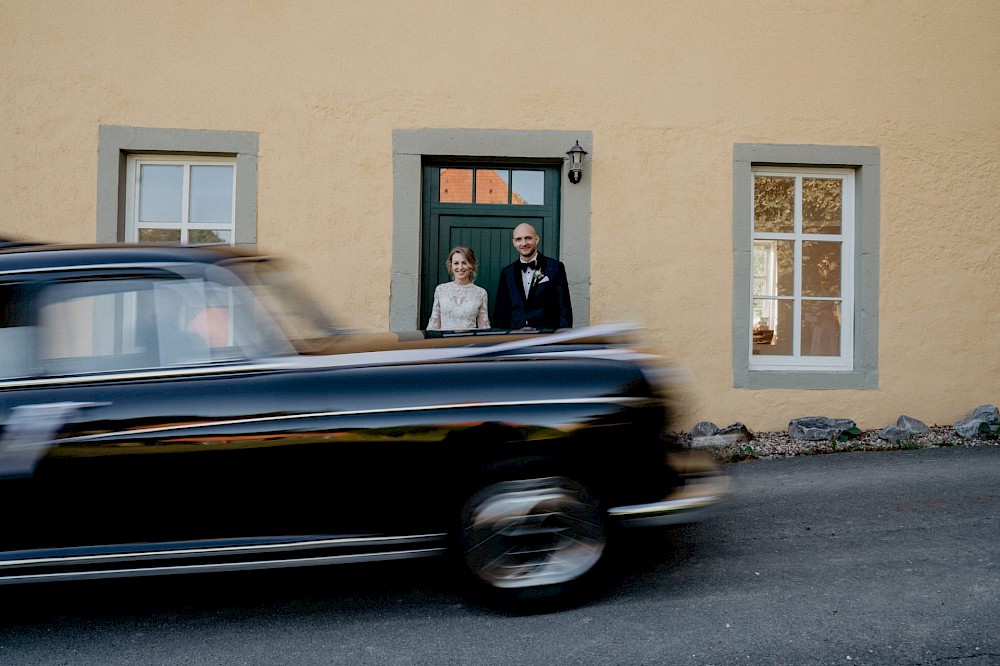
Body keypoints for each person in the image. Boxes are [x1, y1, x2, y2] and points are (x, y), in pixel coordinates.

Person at [493, 223, 572, 330]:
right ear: (514, 243)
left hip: (546, 335)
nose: (523, 243)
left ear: (537, 239)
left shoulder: (555, 267)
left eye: (528, 238)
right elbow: (500, 311)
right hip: (514, 336)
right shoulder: (507, 272)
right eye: (519, 239)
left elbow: (564, 307)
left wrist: (564, 336)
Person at [426, 246, 491, 330]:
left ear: (471, 266)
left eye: (464, 263)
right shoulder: (441, 290)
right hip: (444, 340)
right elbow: (434, 324)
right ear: (451, 266)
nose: (460, 267)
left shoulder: (481, 293)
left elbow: (484, 327)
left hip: (469, 341)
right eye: (456, 263)